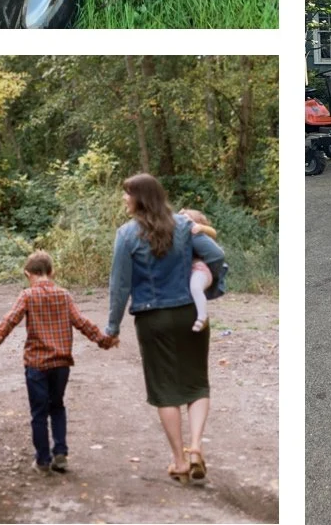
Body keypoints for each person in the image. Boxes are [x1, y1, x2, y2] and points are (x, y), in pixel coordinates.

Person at [105, 174, 228, 484]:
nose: (124, 199)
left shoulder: (126, 235)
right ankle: (197, 448)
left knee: (165, 391)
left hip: (152, 319)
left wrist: (112, 327)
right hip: (189, 313)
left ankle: (179, 461)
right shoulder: (185, 225)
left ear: (140, 199)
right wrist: (208, 289)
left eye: (127, 194)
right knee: (197, 383)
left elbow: (120, 287)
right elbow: (216, 255)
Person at [0, 250, 114, 474]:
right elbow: (81, 322)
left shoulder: (27, 295)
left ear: (27, 274)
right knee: (58, 405)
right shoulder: (64, 295)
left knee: (39, 412)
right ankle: (60, 451)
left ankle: (43, 459)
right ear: (52, 272)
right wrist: (103, 340)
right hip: (61, 364)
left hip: (36, 364)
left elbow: (9, 321)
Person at [179, 208, 226, 332]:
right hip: (189, 269)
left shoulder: (197, 232)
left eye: (186, 218)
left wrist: (201, 227)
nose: (182, 220)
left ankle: (202, 316)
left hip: (200, 268)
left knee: (196, 287)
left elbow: (213, 232)